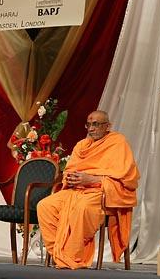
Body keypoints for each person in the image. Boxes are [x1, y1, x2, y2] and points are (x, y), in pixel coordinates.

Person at [37, 110, 140, 269]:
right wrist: (71, 178)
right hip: (75, 191)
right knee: (45, 206)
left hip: (102, 191)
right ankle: (60, 254)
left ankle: (71, 255)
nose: (91, 128)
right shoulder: (82, 145)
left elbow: (127, 178)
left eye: (96, 124)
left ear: (107, 126)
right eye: (89, 124)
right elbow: (70, 169)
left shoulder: (118, 142)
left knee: (82, 208)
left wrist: (91, 179)